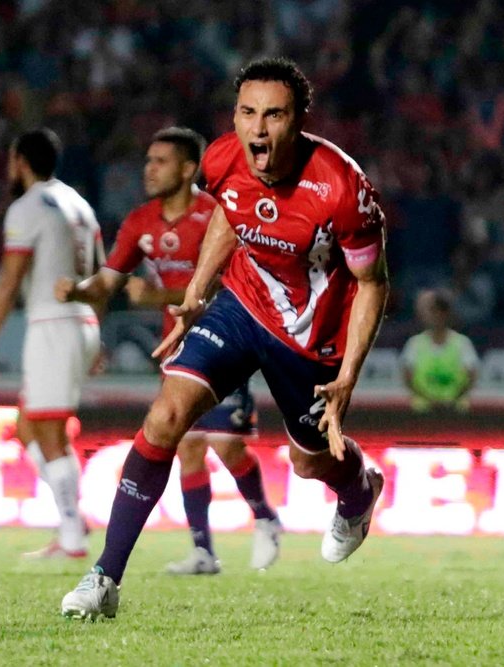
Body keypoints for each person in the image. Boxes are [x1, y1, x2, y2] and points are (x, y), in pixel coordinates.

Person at [59, 57, 389, 620]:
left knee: (309, 463)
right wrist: (196, 292)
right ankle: (103, 579)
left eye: (274, 115)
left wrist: (347, 375)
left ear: (300, 120)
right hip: (241, 305)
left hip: (311, 338)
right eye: (247, 113)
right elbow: (230, 217)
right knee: (165, 418)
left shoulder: (340, 186)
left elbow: (371, 282)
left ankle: (358, 490)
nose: (258, 129)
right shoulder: (221, 158)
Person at [54, 126, 283, 575]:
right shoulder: (141, 222)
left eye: (160, 161)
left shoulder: (216, 214)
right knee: (190, 446)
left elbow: (225, 282)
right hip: (179, 346)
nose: (149, 169)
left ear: (188, 168)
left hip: (227, 338)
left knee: (225, 443)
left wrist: (156, 298)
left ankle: (265, 517)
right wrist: (78, 292)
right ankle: (203, 551)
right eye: (148, 160)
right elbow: (109, 280)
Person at [0, 128, 102, 559]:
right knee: (28, 425)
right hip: (79, 323)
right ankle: (73, 518)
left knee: (47, 429)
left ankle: (72, 537)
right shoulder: (79, 204)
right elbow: (101, 276)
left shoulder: (27, 207)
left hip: (52, 324)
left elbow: (9, 282)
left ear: (21, 162)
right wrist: (94, 330)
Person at [400, 289, 479, 413]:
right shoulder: (414, 344)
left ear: (448, 315)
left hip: (455, 412)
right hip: (422, 412)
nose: (438, 316)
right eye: (434, 311)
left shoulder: (462, 344)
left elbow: (472, 377)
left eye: (442, 312)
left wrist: (452, 400)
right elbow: (407, 378)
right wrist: (429, 400)